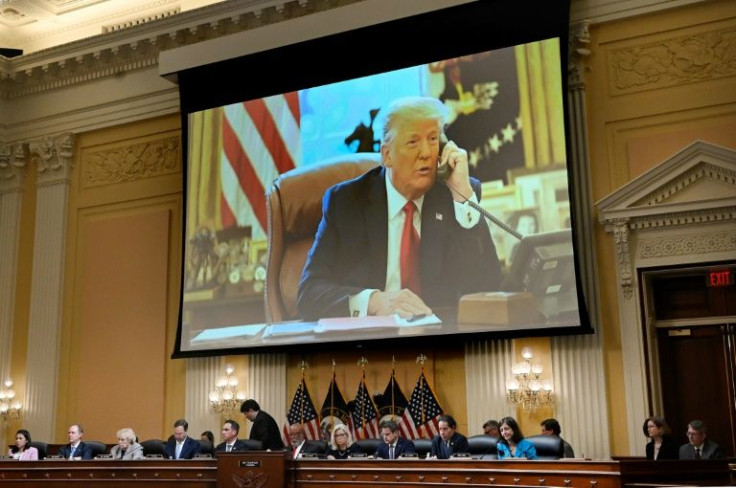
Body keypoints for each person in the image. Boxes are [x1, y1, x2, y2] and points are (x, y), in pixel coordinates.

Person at [298, 96, 501, 320]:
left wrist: (462, 197)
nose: (426, 152)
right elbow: (309, 295)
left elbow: (490, 288)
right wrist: (374, 301)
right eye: (413, 142)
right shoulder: (346, 203)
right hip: (370, 343)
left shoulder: (454, 194)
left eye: (433, 139)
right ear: (387, 155)